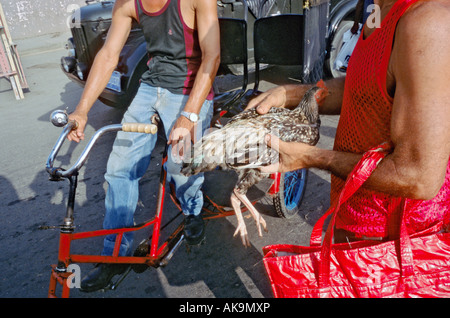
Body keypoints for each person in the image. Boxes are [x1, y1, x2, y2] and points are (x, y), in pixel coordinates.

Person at [247, 0, 450, 243]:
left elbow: (417, 176)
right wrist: (290, 94)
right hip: (352, 220)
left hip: (390, 246)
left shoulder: (427, 24)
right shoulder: (377, 9)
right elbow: (364, 83)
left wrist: (311, 157)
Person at [67, 0, 220, 292]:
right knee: (119, 169)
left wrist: (189, 116)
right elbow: (109, 54)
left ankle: (193, 208)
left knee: (180, 164)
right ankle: (114, 253)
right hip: (151, 87)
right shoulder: (127, 4)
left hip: (190, 88)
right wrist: (83, 109)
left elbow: (212, 57)